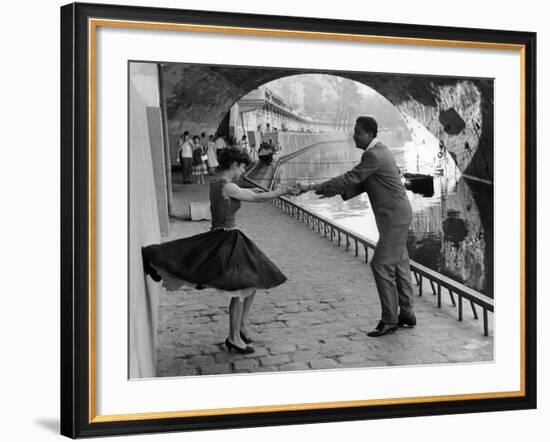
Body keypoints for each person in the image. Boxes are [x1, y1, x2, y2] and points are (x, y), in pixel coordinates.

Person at [142, 148, 297, 354]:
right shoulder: (229, 186)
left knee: (252, 282)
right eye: (242, 167)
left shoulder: (217, 182)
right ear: (234, 165)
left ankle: (241, 326)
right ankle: (234, 337)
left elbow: (248, 193)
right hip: (227, 240)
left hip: (222, 236)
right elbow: (255, 199)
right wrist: (283, 191)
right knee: (241, 289)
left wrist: (262, 191)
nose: (243, 171)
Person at [298, 116, 416, 337]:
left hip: (394, 218)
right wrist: (330, 191)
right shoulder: (379, 151)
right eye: (355, 130)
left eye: (358, 131)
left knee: (380, 265)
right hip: (396, 215)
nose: (354, 134)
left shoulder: (374, 154)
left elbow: (351, 177)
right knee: (399, 263)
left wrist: (312, 186)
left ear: (370, 134)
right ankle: (407, 314)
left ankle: (390, 320)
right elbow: (362, 182)